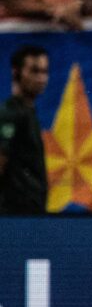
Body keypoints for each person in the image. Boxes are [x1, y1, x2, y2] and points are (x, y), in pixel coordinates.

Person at [0, 45, 49, 215]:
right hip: (14, 217)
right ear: (16, 72)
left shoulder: (29, 113)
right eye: (34, 71)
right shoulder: (10, 113)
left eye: (44, 71)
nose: (41, 78)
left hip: (32, 214)